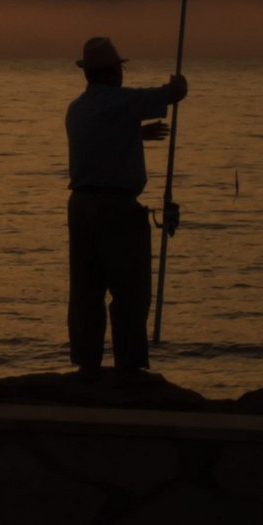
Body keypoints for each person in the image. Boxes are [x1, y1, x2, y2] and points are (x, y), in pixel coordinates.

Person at [65, 36, 187, 378]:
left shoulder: (78, 109)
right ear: (113, 72)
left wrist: (136, 135)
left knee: (86, 290)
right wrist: (179, 85)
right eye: (119, 68)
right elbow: (170, 95)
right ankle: (129, 367)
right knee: (129, 291)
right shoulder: (122, 103)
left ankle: (86, 366)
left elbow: (104, 137)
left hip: (81, 207)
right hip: (117, 208)